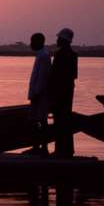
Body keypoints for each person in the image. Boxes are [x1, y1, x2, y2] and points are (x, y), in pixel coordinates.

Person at [49, 28, 78, 158]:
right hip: (68, 91)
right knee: (66, 119)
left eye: (59, 38)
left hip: (59, 92)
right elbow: (74, 75)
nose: (57, 40)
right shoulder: (73, 55)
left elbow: (54, 75)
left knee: (59, 120)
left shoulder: (59, 55)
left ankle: (60, 150)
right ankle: (68, 150)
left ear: (64, 40)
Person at [27, 32, 51, 156]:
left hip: (40, 96)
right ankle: (38, 147)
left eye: (32, 41)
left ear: (39, 42)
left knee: (40, 121)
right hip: (38, 95)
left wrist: (35, 94)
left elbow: (42, 77)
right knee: (39, 121)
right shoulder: (41, 55)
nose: (30, 44)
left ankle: (41, 147)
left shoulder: (44, 56)